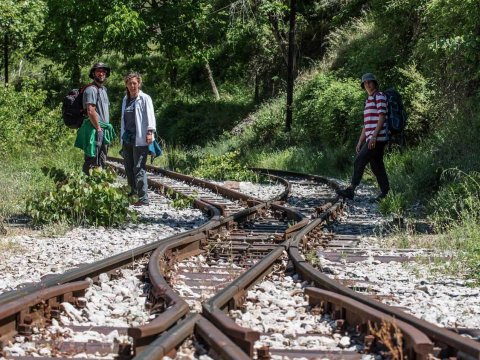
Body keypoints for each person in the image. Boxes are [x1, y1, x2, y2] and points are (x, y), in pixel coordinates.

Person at [336, 73, 389, 202]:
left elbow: (382, 117)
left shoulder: (380, 96)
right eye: (365, 83)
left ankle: (351, 190)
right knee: (376, 166)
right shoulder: (368, 100)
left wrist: (374, 137)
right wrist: (360, 141)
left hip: (377, 139)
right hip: (371, 139)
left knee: (359, 160)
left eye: (370, 82)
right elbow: (366, 124)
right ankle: (385, 193)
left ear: (375, 83)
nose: (368, 85)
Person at [120, 72, 156, 206]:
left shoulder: (145, 98)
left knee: (138, 167)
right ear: (127, 85)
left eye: (135, 83)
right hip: (127, 138)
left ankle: (143, 198)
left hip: (140, 138)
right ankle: (132, 195)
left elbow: (150, 116)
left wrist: (150, 132)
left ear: (139, 84)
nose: (132, 86)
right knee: (128, 168)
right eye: (130, 83)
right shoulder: (125, 99)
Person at [82, 62, 111, 174]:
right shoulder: (91, 90)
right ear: (93, 73)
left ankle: (99, 185)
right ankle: (87, 187)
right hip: (94, 130)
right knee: (92, 160)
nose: (101, 73)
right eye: (98, 71)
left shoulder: (104, 90)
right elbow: (90, 110)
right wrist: (98, 128)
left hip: (102, 130)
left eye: (103, 71)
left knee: (102, 160)